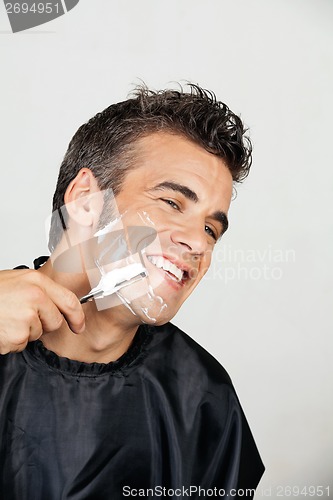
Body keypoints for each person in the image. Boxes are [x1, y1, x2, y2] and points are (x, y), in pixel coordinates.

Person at [0, 84, 264, 499]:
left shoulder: (204, 401)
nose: (198, 242)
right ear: (86, 200)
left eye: (211, 229)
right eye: (172, 203)